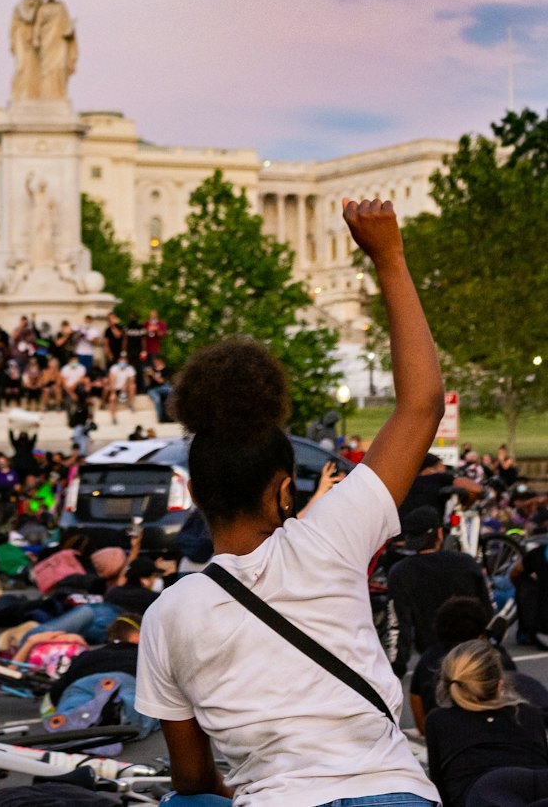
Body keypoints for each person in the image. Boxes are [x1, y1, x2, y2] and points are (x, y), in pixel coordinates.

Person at [136, 196, 444, 807]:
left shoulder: (167, 616)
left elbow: (193, 781)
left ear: (194, 494)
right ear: (284, 490)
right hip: (395, 791)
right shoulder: (332, 536)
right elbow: (421, 405)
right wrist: (389, 257)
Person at [425, 640, 548, 807]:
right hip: (534, 780)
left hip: (487, 790)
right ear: (499, 685)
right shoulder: (528, 712)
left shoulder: (439, 719)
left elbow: (439, 789)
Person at [409, 597, 548, 732]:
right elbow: (513, 690)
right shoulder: (490, 656)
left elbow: (415, 698)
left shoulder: (427, 658)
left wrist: (427, 731)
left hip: (442, 730)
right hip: (493, 728)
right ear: (480, 630)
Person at [387, 504, 491, 676]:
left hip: (433, 659)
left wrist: (397, 666)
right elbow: (487, 608)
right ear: (440, 533)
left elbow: (397, 624)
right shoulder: (466, 562)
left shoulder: (400, 572)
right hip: (472, 652)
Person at [105, 355, 137, 423]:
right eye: (121, 361)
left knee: (133, 386)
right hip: (115, 388)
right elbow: (111, 380)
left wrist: (125, 386)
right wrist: (113, 392)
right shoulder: (114, 368)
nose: (122, 362)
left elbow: (131, 379)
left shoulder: (130, 368)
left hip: (125, 388)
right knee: (112, 399)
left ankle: (130, 404)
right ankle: (113, 418)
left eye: (124, 361)